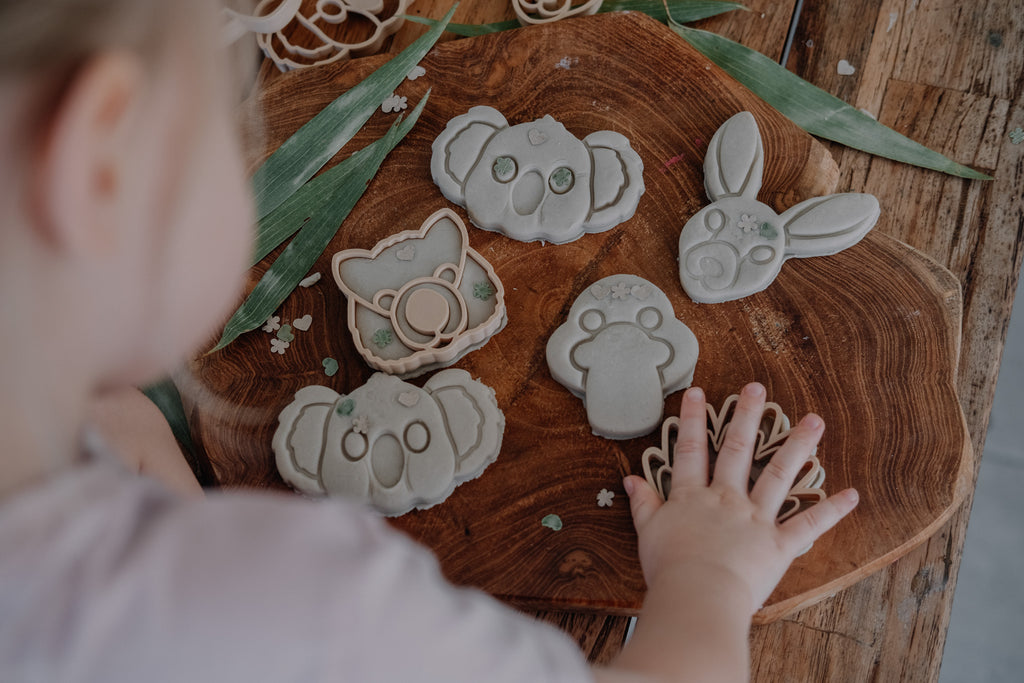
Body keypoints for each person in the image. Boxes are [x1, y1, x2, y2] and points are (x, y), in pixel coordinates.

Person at [0, 1, 859, 681]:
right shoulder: (316, 600)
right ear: (97, 164)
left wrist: (169, 515)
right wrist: (709, 581)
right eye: (228, 138)